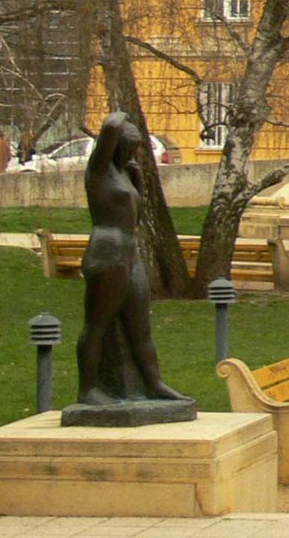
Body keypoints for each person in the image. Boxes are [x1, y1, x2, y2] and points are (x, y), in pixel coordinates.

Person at [74, 113, 191, 413]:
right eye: (129, 146)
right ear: (115, 145)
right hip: (106, 252)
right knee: (97, 324)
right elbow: (112, 124)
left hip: (130, 252)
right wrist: (125, 110)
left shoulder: (125, 174)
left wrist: (137, 178)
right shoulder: (98, 171)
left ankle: (153, 383)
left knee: (141, 326)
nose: (132, 153)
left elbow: (135, 218)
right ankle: (88, 389)